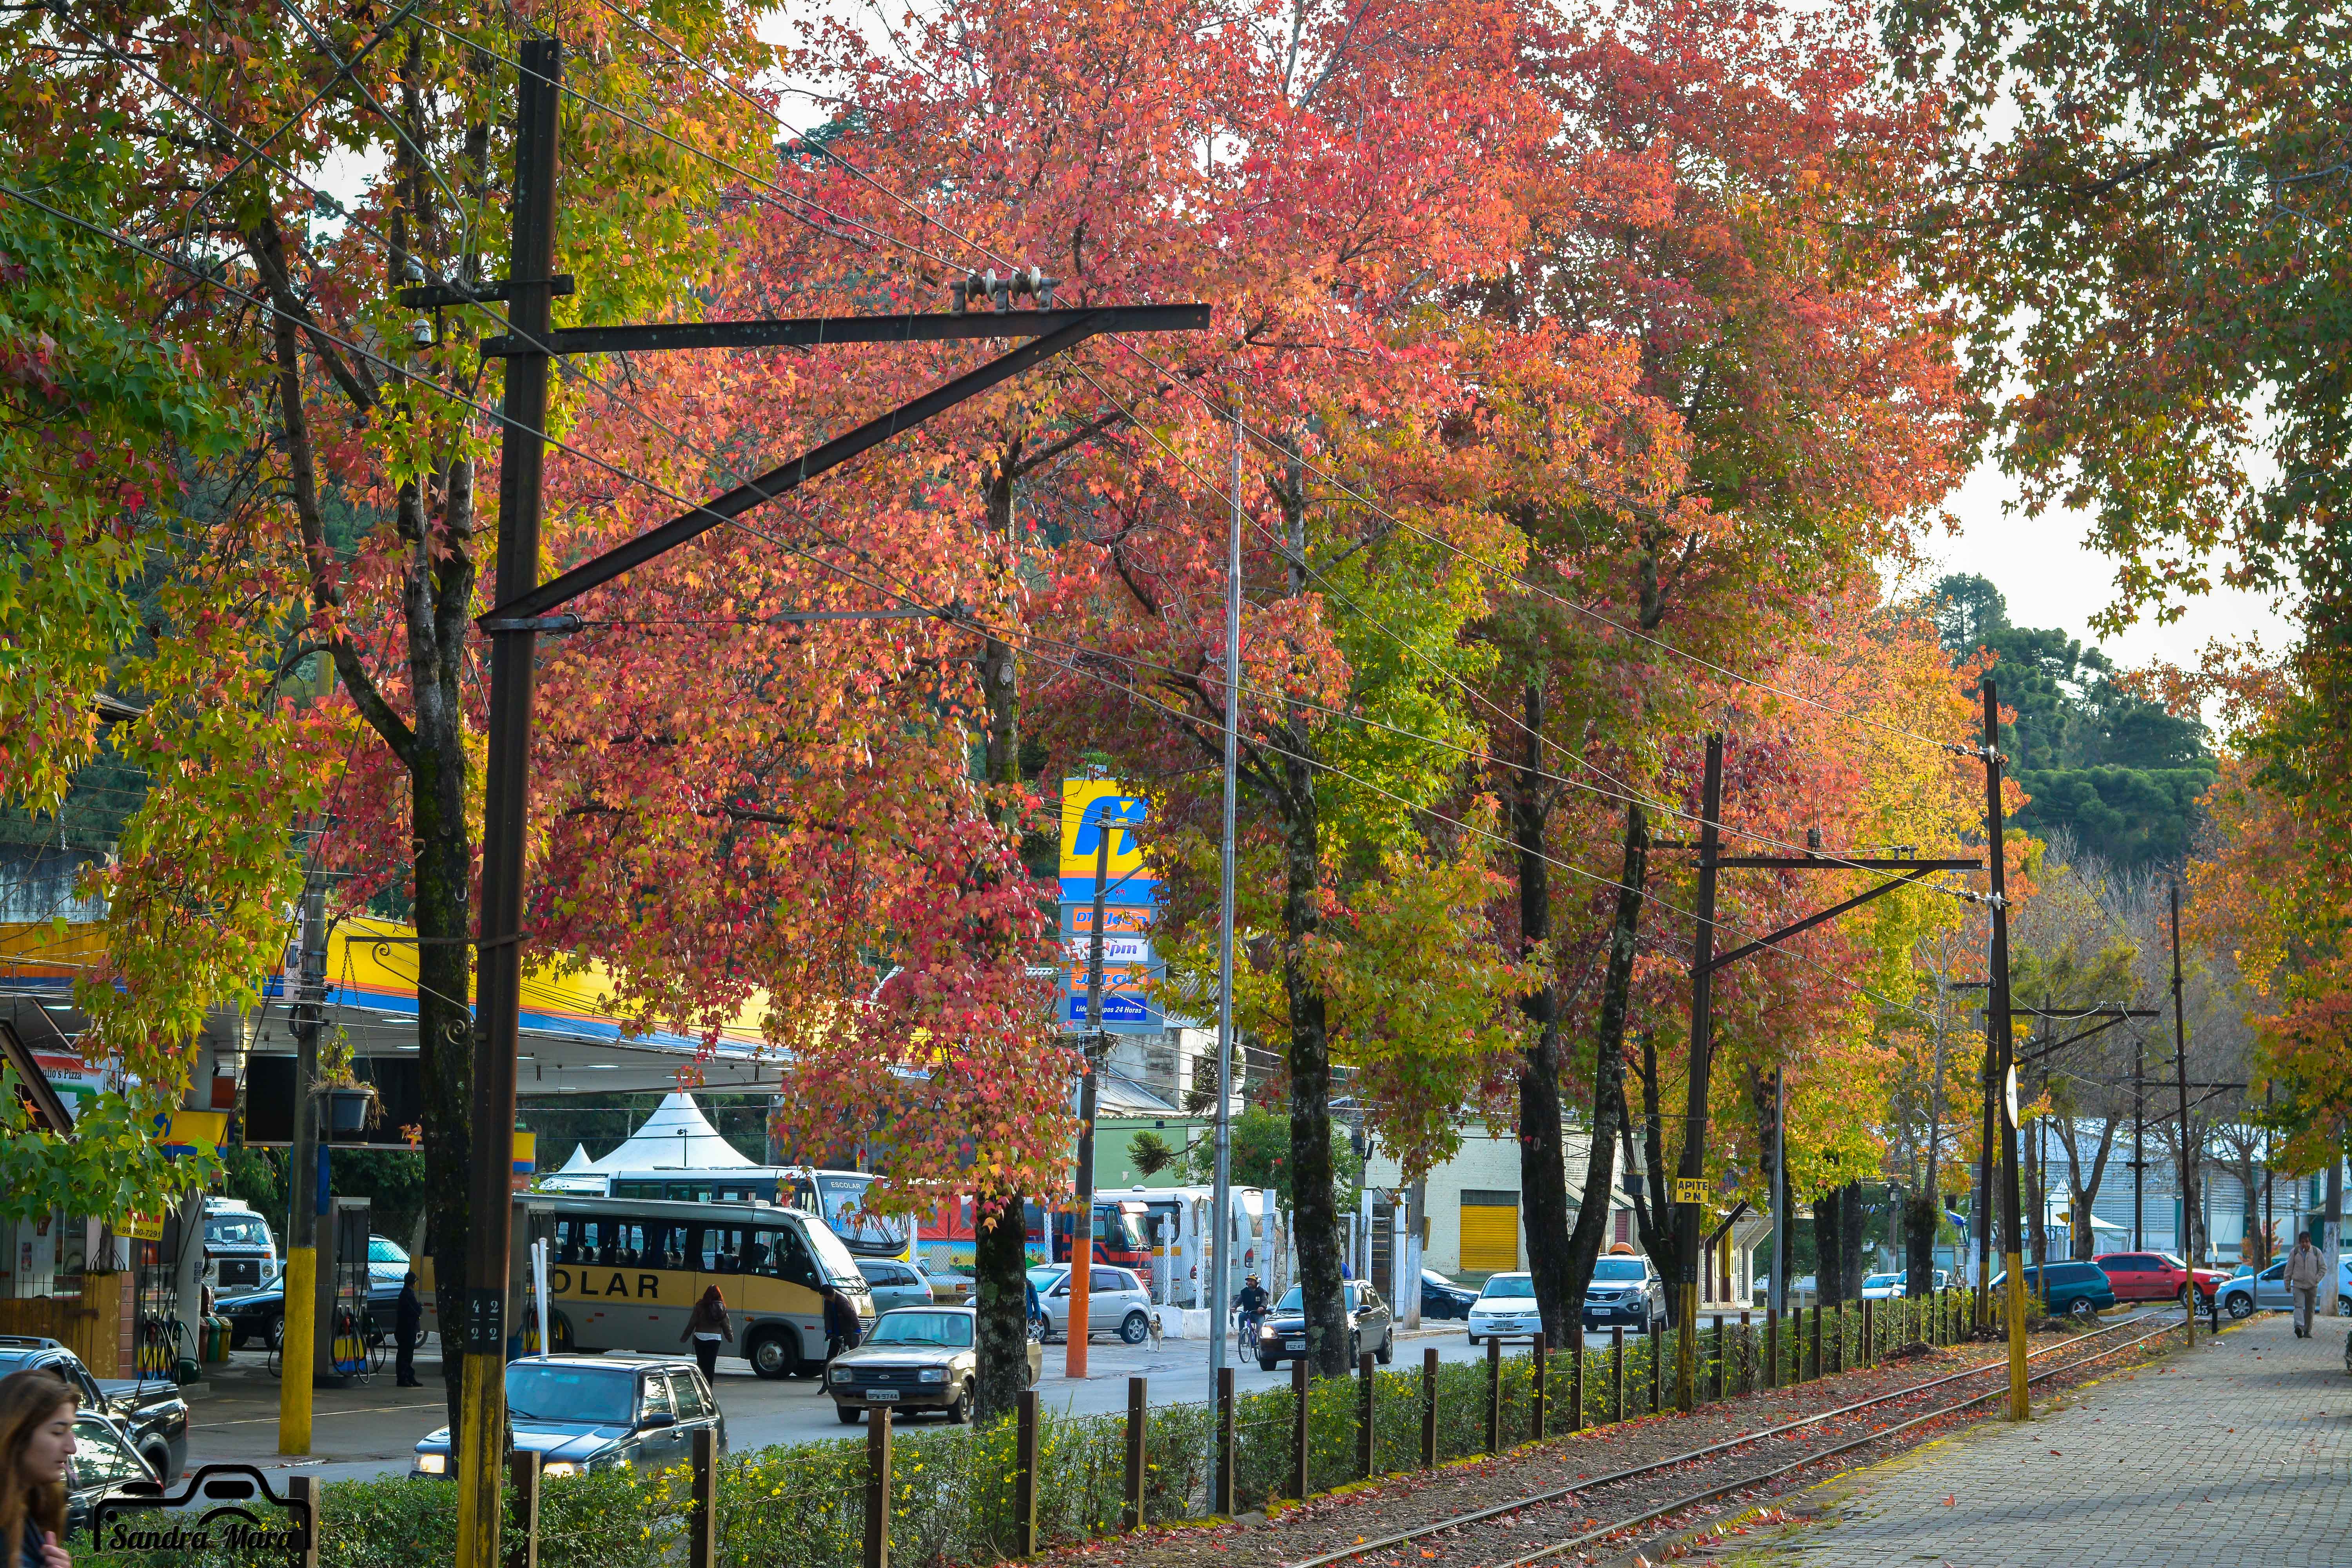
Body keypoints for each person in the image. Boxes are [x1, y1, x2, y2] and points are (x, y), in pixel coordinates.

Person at [0, 1368, 77, 1568]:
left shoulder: (29, 1509)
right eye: (58, 1432)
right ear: (15, 1435)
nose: (72, 1448)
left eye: (71, 1431)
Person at [680, 1286, 732, 1381]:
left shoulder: (700, 1306)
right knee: (711, 1366)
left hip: (700, 1337)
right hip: (715, 1339)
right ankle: (709, 1389)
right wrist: (730, 1337)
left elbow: (692, 1322)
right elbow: (726, 1325)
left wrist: (685, 1337)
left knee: (701, 1364)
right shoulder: (722, 1307)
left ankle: (701, 1386)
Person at [2283, 1233, 2327, 1338]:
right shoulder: (2295, 1253)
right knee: (2299, 1306)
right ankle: (2299, 1326)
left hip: (2312, 1286)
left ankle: (2307, 1331)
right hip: (2298, 1285)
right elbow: (2289, 1269)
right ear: (2300, 1243)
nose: (2305, 1244)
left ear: (2310, 1242)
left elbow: (2323, 1268)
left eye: (2307, 1242)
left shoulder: (2317, 1252)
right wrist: (2287, 1283)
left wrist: (2316, 1279)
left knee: (2310, 1309)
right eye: (2303, 1242)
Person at [394, 1271, 424, 1387]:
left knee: (406, 1354)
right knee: (405, 1355)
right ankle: (403, 1378)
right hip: (407, 1329)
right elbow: (417, 1310)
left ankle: (409, 1376)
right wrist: (420, 1306)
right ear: (413, 1283)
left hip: (405, 1329)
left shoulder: (406, 1294)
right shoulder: (408, 1295)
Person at [821, 1283, 861, 1363]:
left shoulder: (841, 1301)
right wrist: (829, 1331)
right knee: (831, 1356)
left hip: (850, 1330)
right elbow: (828, 1317)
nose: (824, 1297)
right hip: (836, 1332)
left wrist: (858, 1329)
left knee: (854, 1354)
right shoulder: (828, 1302)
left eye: (824, 1296)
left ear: (828, 1295)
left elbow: (852, 1315)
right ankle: (827, 1373)